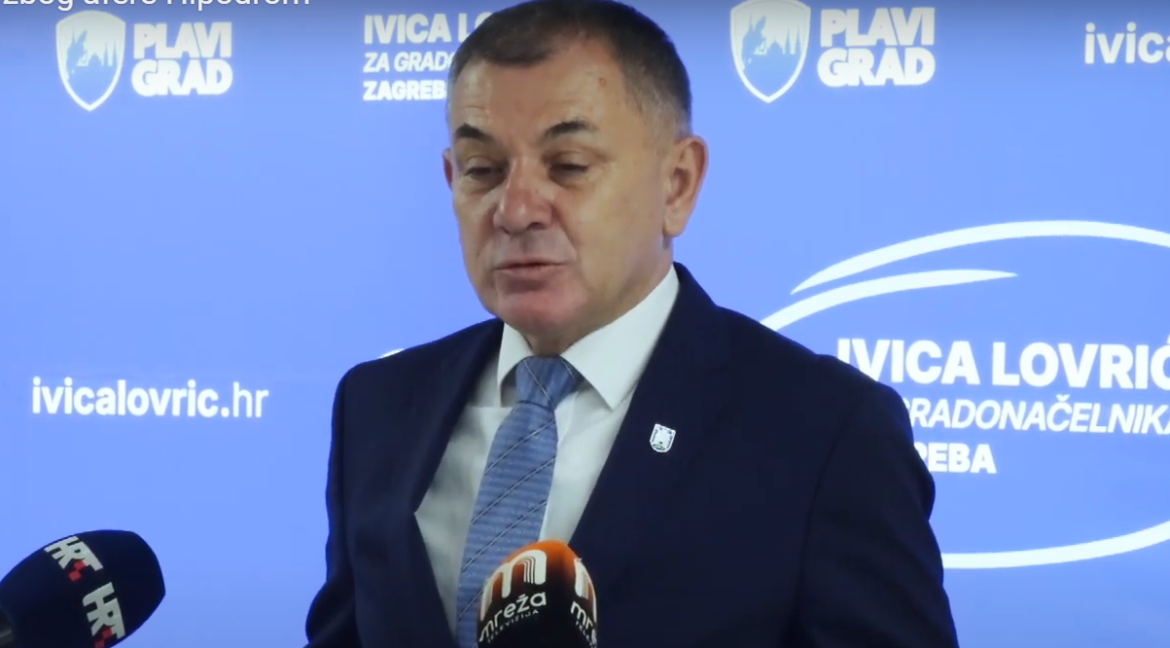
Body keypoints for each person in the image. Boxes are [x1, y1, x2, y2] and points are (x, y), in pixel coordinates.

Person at [303, 1, 960, 646]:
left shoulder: (825, 433)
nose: (516, 209)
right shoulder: (377, 407)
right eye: (483, 170)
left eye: (568, 166)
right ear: (452, 179)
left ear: (677, 184)